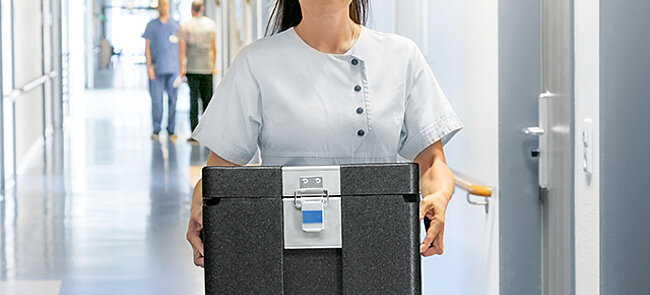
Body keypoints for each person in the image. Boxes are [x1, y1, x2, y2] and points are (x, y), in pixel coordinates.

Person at [186, 0, 463, 267]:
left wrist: (438, 195)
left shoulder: (401, 56)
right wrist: (200, 205)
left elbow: (431, 161)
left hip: (381, 243)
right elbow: (220, 170)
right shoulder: (256, 62)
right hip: (282, 247)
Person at [178, 1, 217, 144]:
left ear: (191, 9)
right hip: (207, 68)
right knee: (207, 101)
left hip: (192, 69)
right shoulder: (211, 25)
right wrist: (212, 66)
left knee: (193, 100)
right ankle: (208, 133)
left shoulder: (185, 26)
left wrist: (182, 69)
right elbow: (214, 48)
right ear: (202, 8)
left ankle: (194, 134)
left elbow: (182, 50)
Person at [143, 0, 179, 142]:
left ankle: (171, 130)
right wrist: (148, 67)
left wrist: (182, 69)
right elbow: (147, 48)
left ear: (168, 6)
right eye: (160, 5)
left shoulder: (175, 25)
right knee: (157, 101)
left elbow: (182, 47)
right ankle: (156, 130)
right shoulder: (151, 26)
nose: (163, 7)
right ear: (158, 7)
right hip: (156, 69)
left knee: (173, 100)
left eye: (165, 5)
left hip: (173, 69)